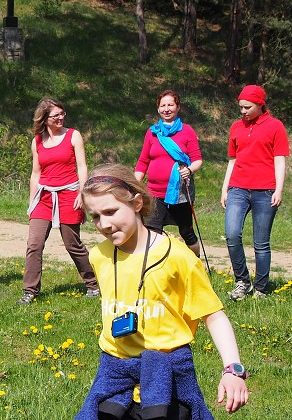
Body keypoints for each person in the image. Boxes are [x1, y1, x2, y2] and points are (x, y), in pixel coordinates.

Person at [76, 164, 249, 419]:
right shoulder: (99, 256)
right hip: (114, 376)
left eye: (111, 211)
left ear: (137, 203)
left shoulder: (179, 258)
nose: (105, 224)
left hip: (168, 376)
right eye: (95, 216)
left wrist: (233, 370)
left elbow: (213, 316)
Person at [17, 97, 99, 305]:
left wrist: (82, 193)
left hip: (69, 194)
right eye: (56, 115)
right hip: (43, 197)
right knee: (34, 244)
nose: (61, 117)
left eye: (62, 114)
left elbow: (82, 167)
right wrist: (31, 202)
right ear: (44, 118)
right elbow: (36, 173)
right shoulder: (37, 140)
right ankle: (30, 291)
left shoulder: (73, 136)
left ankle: (93, 284)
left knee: (73, 244)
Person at [222, 85, 289, 300]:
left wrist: (278, 189)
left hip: (265, 190)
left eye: (247, 107)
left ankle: (260, 288)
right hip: (238, 188)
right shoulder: (236, 127)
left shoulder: (276, 126)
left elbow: (280, 160)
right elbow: (233, 160)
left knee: (261, 242)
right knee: (232, 235)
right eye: (241, 107)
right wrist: (225, 188)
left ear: (260, 105)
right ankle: (242, 282)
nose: (243, 111)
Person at [135, 90, 202, 257]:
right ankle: (155, 266)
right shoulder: (152, 132)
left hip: (180, 194)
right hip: (154, 193)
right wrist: (134, 184)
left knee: (187, 232)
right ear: (158, 109)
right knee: (152, 232)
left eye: (170, 105)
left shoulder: (187, 131)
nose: (166, 109)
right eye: (162, 105)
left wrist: (189, 170)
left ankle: (196, 263)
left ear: (178, 107)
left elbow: (197, 160)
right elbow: (143, 161)